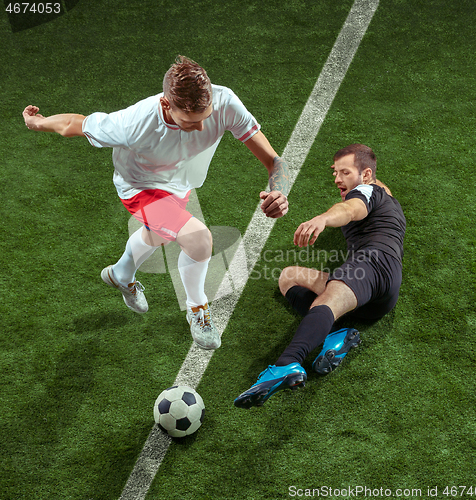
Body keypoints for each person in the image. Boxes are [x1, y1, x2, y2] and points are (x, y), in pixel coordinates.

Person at [22, 55, 290, 351]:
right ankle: (197, 309)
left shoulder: (226, 103)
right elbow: (76, 123)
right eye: (190, 122)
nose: (202, 129)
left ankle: (121, 274)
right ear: (166, 105)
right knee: (199, 239)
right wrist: (37, 123)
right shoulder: (134, 122)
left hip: (179, 183)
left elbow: (274, 161)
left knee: (160, 234)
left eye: (205, 117)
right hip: (139, 186)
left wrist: (280, 191)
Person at [234, 144, 406, 408]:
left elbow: (349, 210)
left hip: (371, 263)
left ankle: (287, 363)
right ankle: (337, 335)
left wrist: (323, 219)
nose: (337, 179)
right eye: (335, 172)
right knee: (289, 277)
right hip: (380, 295)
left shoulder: (365, 192)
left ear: (367, 175)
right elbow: (365, 193)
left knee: (328, 299)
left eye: (345, 172)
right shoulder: (384, 196)